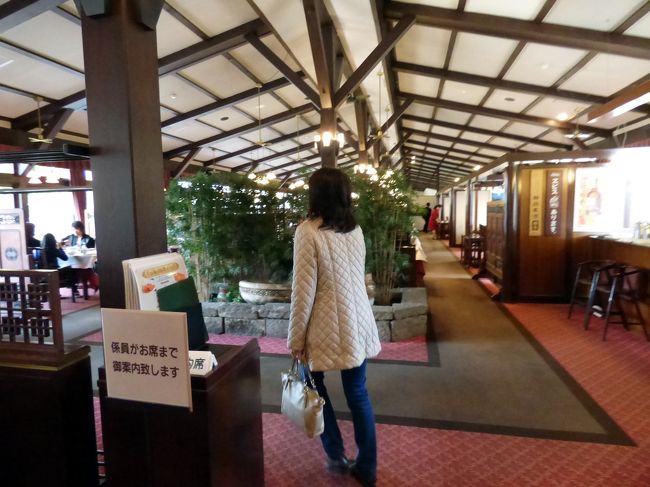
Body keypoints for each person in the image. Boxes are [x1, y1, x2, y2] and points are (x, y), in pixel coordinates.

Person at [288, 168, 381, 487]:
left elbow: (303, 291)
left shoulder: (307, 231)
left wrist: (296, 338)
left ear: (315, 195)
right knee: (358, 393)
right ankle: (367, 467)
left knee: (314, 387)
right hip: (357, 321)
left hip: (324, 323)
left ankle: (335, 453)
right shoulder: (355, 230)